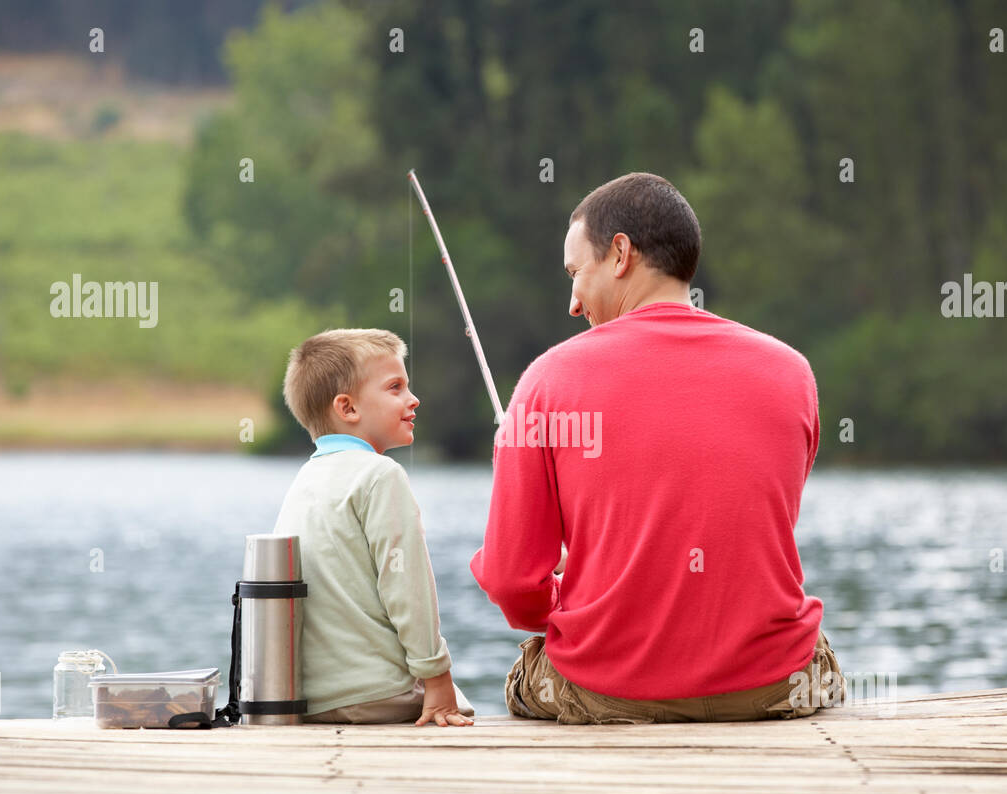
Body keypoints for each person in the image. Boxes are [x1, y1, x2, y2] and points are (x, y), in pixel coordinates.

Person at [470, 172, 845, 724]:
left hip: (610, 690)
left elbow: (510, 582)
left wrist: (561, 598)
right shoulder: (792, 371)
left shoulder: (547, 380)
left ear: (620, 253)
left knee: (525, 673)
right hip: (776, 686)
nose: (573, 302)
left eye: (576, 273)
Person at [274, 328, 475, 726]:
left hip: (311, 699)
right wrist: (436, 676)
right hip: (376, 693)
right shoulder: (381, 475)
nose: (413, 399)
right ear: (347, 408)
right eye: (395, 387)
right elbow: (407, 586)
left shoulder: (304, 480)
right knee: (461, 705)